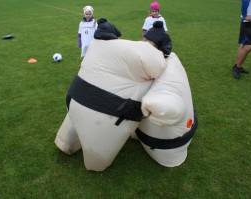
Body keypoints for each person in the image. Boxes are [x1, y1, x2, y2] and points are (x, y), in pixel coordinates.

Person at [54, 18, 167, 171]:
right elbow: (158, 68)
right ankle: (94, 162)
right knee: (96, 162)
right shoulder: (148, 54)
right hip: (104, 115)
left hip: (74, 98)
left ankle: (65, 142)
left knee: (72, 130)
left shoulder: (97, 44)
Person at [232, 0, 251, 79]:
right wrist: (245, 15)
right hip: (250, 20)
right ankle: (237, 68)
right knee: (248, 46)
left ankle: (237, 66)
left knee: (244, 44)